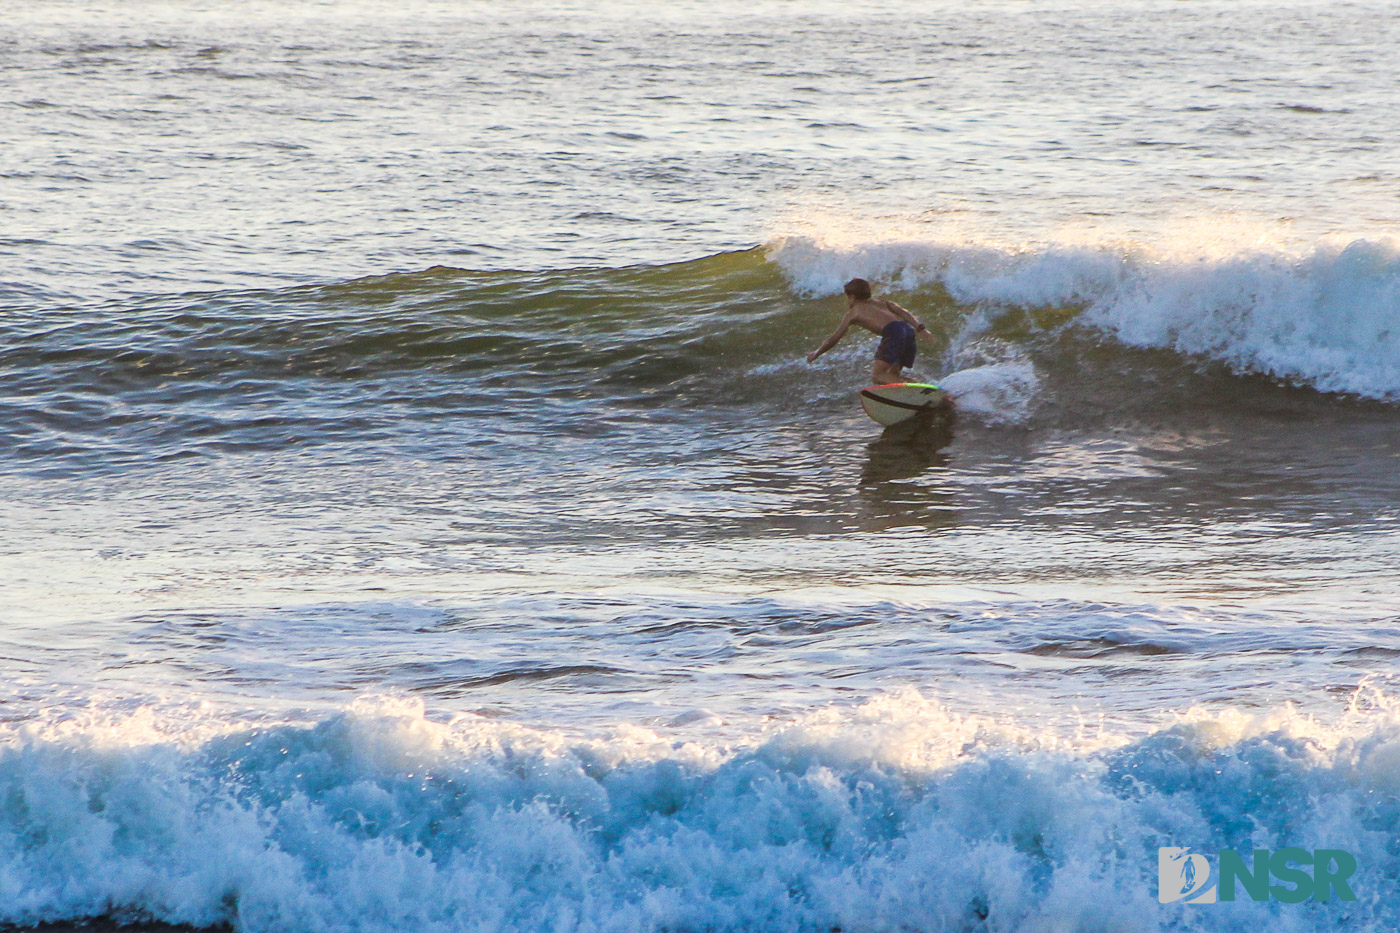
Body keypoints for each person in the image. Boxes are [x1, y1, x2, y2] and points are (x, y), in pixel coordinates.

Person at [806, 278, 931, 384]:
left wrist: (816, 353)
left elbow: (834, 338)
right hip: (907, 330)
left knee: (878, 376)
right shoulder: (881, 303)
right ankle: (921, 389)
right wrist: (920, 328)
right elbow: (902, 312)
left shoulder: (853, 313)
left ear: (852, 297)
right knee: (893, 375)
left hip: (894, 332)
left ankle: (916, 390)